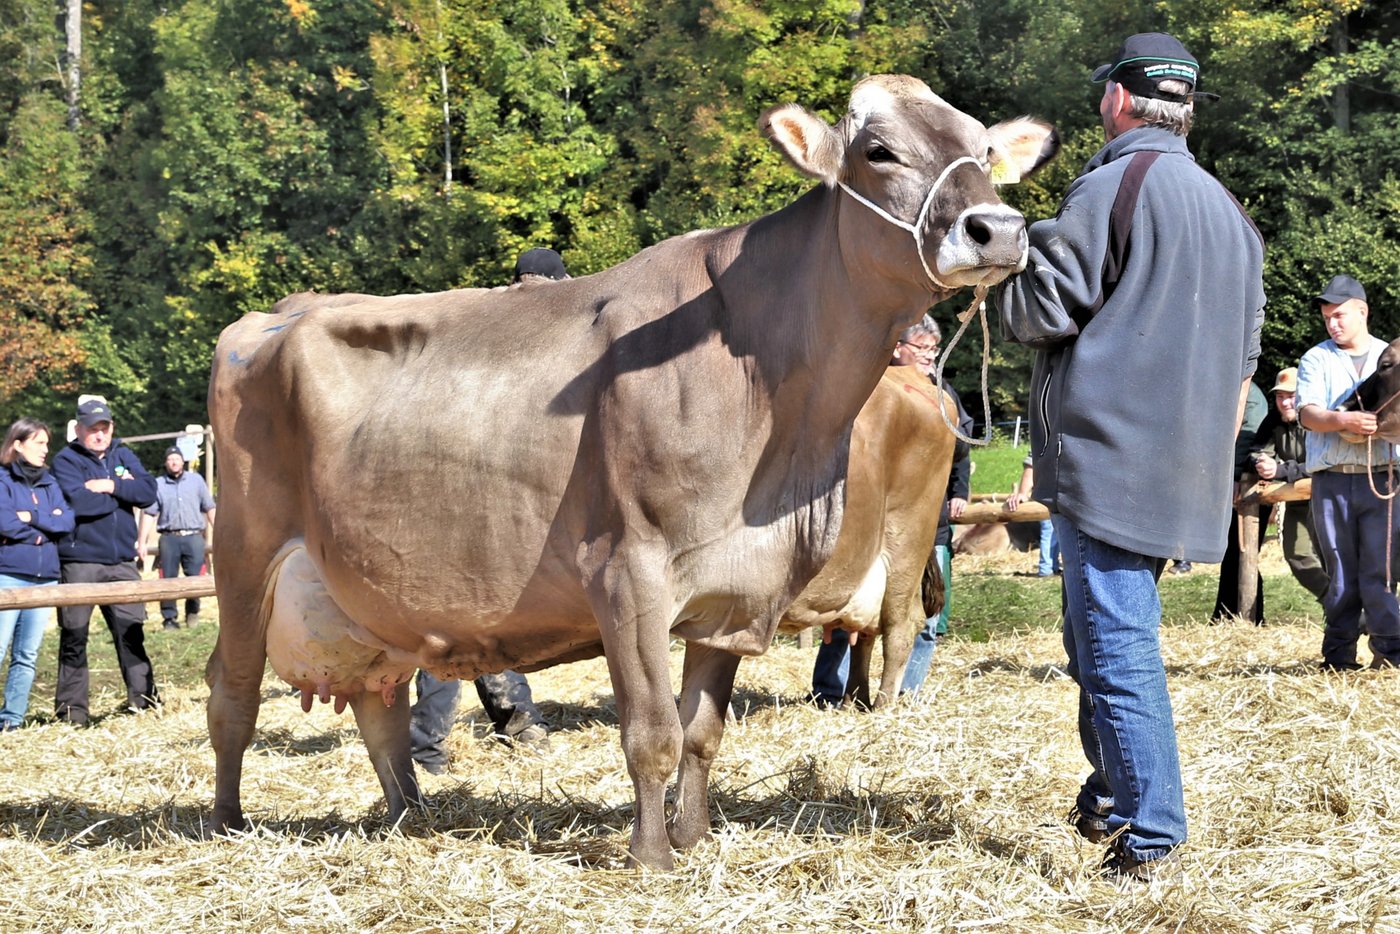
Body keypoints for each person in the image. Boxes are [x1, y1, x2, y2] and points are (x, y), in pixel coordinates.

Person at [997, 32, 1266, 880]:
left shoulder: (1113, 183)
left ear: (1117, 99)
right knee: (1096, 637)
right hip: (1185, 463)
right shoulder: (1232, 213)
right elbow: (1247, 359)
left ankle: (1150, 834)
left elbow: (1041, 312)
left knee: (1114, 647)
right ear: (1182, 105)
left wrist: (1010, 255)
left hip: (1113, 455)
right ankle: (1113, 797)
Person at [410, 249, 565, 772]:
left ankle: (514, 724)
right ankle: (428, 749)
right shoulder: (503, 337)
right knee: (450, 623)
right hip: (461, 499)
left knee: (485, 622)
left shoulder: (486, 330)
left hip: (490, 504)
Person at [808, 314, 972, 704]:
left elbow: (961, 449)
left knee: (920, 611)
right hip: (863, 518)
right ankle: (833, 691)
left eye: (934, 348)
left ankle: (899, 694)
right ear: (897, 348)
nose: (930, 356)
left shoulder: (936, 395)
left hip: (925, 522)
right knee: (846, 623)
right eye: (922, 348)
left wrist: (959, 493)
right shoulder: (865, 384)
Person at [1295, 275, 1400, 671]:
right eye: (1326, 318)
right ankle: (1338, 657)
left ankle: (1390, 656)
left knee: (1381, 570)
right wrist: (1342, 419)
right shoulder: (1316, 358)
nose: (1332, 324)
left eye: (1339, 315)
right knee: (1339, 570)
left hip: (1384, 477)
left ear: (1362, 311)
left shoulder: (1392, 355)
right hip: (1333, 477)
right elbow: (1307, 413)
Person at [51, 399, 161, 723]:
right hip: (79, 560)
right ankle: (73, 713)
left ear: (111, 427)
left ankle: (144, 703)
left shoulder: (122, 454)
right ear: (79, 429)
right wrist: (122, 495)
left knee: (131, 632)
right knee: (74, 635)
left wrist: (111, 485)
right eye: (93, 429)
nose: (100, 435)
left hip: (122, 562)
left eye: (105, 428)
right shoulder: (65, 460)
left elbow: (148, 491)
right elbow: (79, 502)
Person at [0, 419, 74, 731]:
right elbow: (4, 523)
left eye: (47, 443)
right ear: (17, 444)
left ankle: (12, 720)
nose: (46, 450)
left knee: (26, 655)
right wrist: (44, 530)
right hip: (9, 575)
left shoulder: (49, 482)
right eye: (39, 443)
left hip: (45, 579)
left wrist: (30, 518)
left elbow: (67, 521)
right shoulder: (3, 480)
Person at [1249, 367, 1328, 601]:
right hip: (1297, 498)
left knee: (1333, 557)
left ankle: (1348, 612)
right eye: (1280, 396)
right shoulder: (1274, 419)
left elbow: (1322, 463)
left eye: (1291, 396)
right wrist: (1260, 463)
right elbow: (1256, 450)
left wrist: (1280, 470)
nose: (1284, 403)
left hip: (1327, 497)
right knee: (1297, 555)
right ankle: (1336, 604)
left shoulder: (1317, 417)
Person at [139, 446, 216, 629]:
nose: (174, 462)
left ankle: (192, 614)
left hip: (194, 537)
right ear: (166, 463)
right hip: (169, 538)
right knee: (167, 579)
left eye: (177, 458)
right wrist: (141, 541)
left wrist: (220, 532)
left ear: (183, 461)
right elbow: (149, 514)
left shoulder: (196, 481)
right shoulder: (158, 484)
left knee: (195, 578)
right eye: (170, 459)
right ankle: (169, 619)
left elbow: (209, 507)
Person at [1210, 381, 1268, 623]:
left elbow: (1248, 437)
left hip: (1247, 484)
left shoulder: (1250, 395)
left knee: (1241, 551)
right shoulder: (1231, 388)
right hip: (1236, 482)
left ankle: (1248, 617)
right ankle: (1226, 614)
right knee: (1232, 552)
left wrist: (1235, 477)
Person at [1005, 454, 1060, 577]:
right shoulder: (1045, 436)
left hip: (1058, 493)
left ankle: (1053, 566)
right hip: (1049, 495)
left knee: (1056, 534)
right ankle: (1046, 569)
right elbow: (1031, 462)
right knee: (1049, 531)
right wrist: (1022, 493)